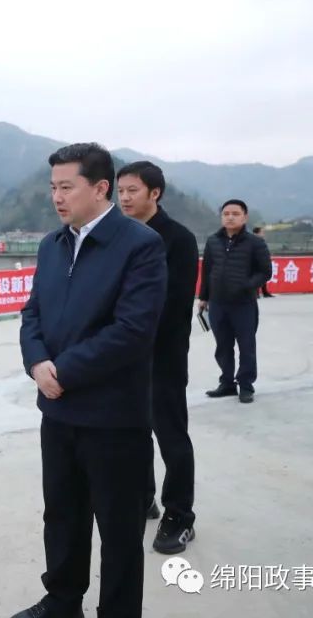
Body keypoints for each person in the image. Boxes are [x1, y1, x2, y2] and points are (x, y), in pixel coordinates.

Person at [13, 143, 167, 618]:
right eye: (53, 187)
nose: (57, 197)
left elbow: (132, 331)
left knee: (119, 533)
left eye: (67, 187)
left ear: (100, 188)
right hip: (57, 414)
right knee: (61, 517)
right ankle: (62, 605)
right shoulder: (52, 244)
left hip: (113, 419)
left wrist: (65, 372)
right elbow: (32, 313)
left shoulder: (139, 245)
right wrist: (37, 363)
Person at [117, 161, 199, 555]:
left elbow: (173, 304)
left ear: (155, 193)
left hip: (162, 356)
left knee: (171, 436)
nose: (125, 198)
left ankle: (180, 514)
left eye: (133, 190)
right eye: (121, 191)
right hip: (124, 357)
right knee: (132, 432)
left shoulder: (178, 240)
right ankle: (144, 498)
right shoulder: (120, 236)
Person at [199, 200, 272, 404]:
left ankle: (246, 385)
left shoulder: (255, 243)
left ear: (244, 217)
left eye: (235, 213)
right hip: (217, 303)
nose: (230, 217)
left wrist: (246, 285)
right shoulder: (213, 241)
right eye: (226, 213)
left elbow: (265, 272)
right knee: (223, 346)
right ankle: (227, 383)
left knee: (246, 346)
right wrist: (203, 297)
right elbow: (207, 271)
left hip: (244, 304)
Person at [252, 227, 274, 298]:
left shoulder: (262, 240)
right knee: (257, 277)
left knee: (264, 276)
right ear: (256, 233)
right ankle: (256, 293)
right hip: (256, 262)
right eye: (262, 232)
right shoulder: (252, 240)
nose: (263, 234)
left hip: (263, 261)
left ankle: (265, 292)